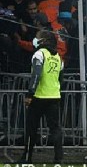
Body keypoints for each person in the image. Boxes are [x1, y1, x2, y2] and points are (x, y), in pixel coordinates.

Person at [20, 30, 63, 163]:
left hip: (39, 96)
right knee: (55, 129)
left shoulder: (39, 54)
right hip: (54, 96)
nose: (35, 39)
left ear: (43, 41)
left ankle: (27, 159)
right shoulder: (58, 57)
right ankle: (58, 160)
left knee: (31, 128)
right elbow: (61, 78)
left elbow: (36, 75)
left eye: (37, 37)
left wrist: (30, 94)